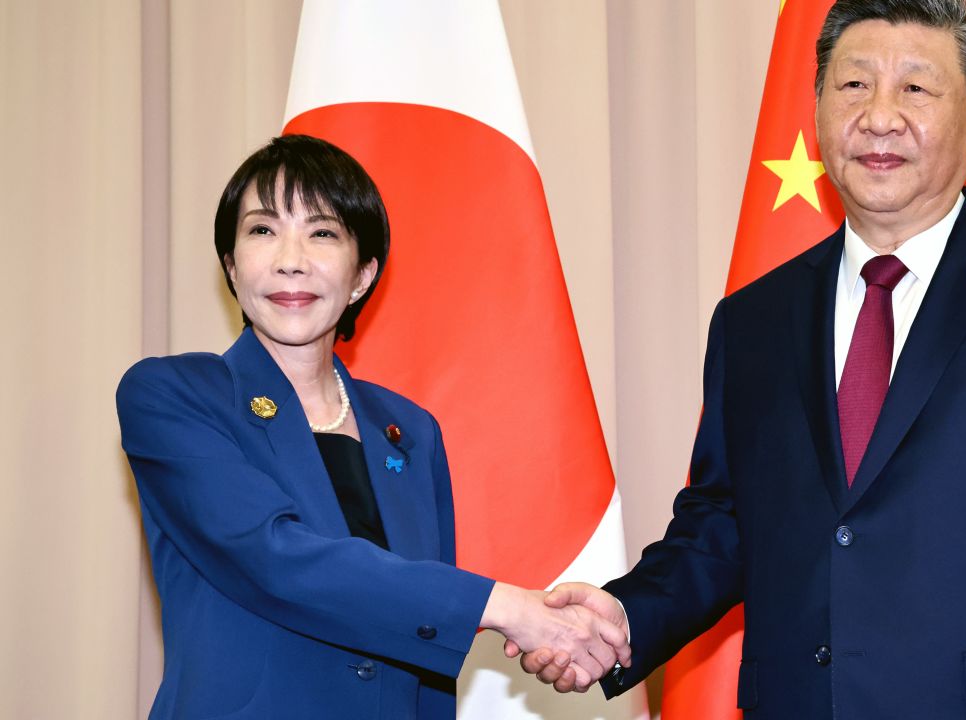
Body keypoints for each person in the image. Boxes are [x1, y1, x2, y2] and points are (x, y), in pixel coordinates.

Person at [516, 0, 966, 717]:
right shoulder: (752, 321)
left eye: (915, 87)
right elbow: (725, 526)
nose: (879, 116)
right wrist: (623, 618)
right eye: (853, 85)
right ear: (816, 109)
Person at [116, 135, 629, 719]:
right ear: (231, 266)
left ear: (362, 276)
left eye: (322, 232)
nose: (291, 257)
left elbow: (424, 648)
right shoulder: (174, 396)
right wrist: (506, 606)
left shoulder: (409, 430)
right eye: (262, 230)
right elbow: (273, 557)